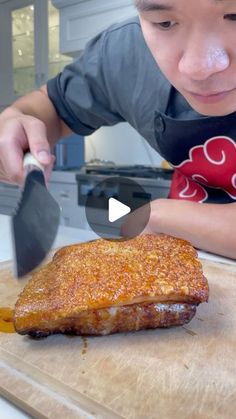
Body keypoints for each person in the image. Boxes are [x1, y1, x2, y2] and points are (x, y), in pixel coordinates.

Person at [0, 0, 235, 259]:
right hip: (179, 262)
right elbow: (52, 106)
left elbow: (156, 218)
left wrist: (159, 215)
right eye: (164, 23)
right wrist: (15, 119)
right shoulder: (126, 53)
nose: (198, 68)